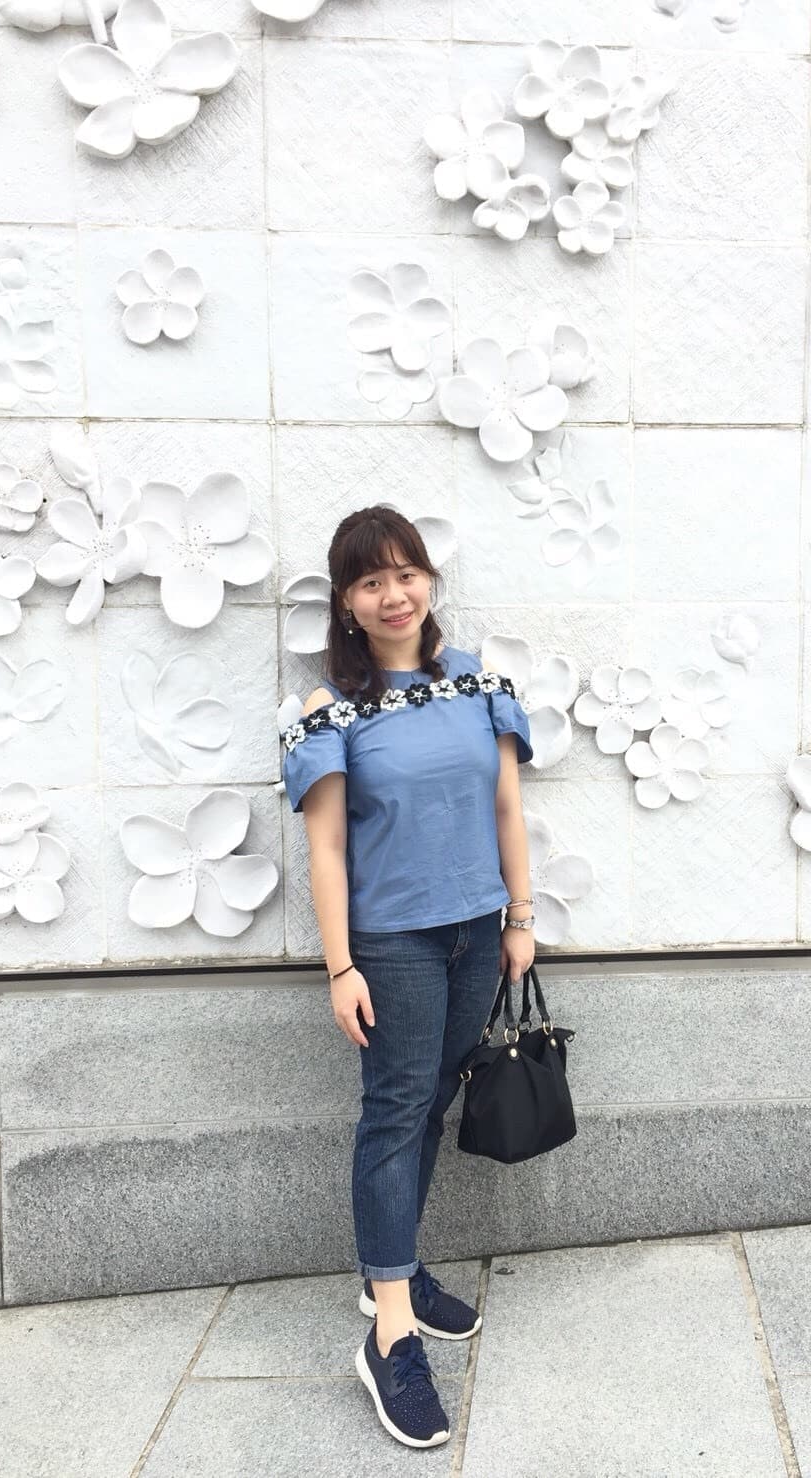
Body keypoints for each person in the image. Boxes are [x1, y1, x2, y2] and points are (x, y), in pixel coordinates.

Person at [280, 504, 537, 1450]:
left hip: (477, 930)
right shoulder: (329, 710)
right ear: (346, 602)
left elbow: (506, 808)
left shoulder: (478, 682)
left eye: (406, 574)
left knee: (431, 1101)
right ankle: (391, 1332)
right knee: (394, 1111)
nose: (394, 595)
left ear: (429, 579)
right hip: (391, 944)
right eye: (370, 581)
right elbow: (326, 850)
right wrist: (340, 965)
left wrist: (520, 918)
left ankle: (393, 1267)